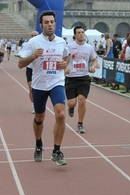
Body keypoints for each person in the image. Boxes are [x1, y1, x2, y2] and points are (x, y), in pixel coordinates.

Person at [18, 10, 70, 166]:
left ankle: (56, 151)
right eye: (46, 22)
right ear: (41, 25)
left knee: (60, 115)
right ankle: (39, 144)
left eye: (52, 22)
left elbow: (67, 55)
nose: (49, 24)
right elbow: (20, 64)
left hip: (57, 82)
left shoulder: (61, 42)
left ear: (55, 23)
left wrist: (65, 63)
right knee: (39, 117)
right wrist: (34, 56)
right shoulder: (34, 42)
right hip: (40, 85)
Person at [65, 25, 98, 134]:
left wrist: (93, 66)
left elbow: (94, 60)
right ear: (74, 35)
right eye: (78, 32)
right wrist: (65, 68)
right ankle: (71, 107)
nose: (81, 34)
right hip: (71, 78)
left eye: (82, 32)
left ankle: (80, 124)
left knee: (82, 100)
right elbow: (62, 59)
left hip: (84, 77)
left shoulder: (89, 47)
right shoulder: (69, 46)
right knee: (72, 103)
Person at [26, 31, 39, 114]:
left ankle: (39, 103)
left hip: (38, 69)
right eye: (32, 35)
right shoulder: (26, 45)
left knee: (38, 88)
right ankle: (34, 105)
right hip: (30, 68)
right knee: (31, 88)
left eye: (35, 35)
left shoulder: (42, 44)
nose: (33, 36)